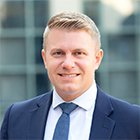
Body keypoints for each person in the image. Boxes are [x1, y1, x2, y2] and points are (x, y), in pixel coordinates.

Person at [0, 11, 140, 140]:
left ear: (97, 59)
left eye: (78, 53)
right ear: (45, 59)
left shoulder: (133, 122)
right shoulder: (16, 118)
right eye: (58, 53)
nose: (68, 64)